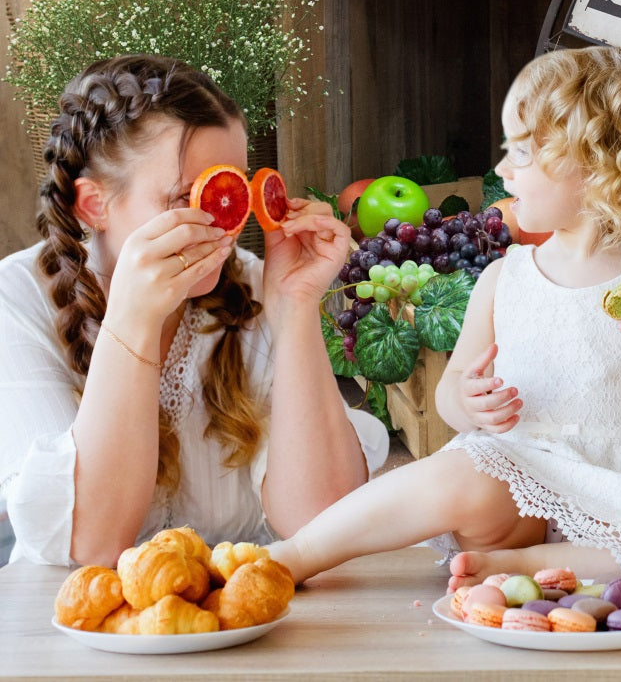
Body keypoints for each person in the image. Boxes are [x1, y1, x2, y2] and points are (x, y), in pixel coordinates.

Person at [268, 46, 621, 597]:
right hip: (518, 480)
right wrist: (470, 401)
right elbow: (451, 396)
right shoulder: (505, 277)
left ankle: (531, 562)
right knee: (459, 470)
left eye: (523, 153)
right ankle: (298, 554)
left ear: (604, 166)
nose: (503, 169)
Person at [0, 55, 388, 566]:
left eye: (235, 191)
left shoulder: (253, 285)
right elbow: (90, 546)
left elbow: (321, 518)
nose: (225, 227)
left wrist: (294, 311)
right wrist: (133, 322)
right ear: (94, 206)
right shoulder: (17, 298)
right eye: (189, 196)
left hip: (245, 629)